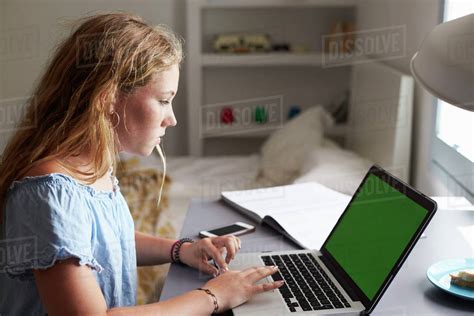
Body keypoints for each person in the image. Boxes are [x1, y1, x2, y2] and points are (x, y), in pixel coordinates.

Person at [0, 13, 283, 315]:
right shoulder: (50, 194)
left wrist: (181, 249)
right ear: (107, 99)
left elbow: (113, 242)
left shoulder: (94, 168)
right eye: (163, 100)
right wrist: (213, 296)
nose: (171, 118)